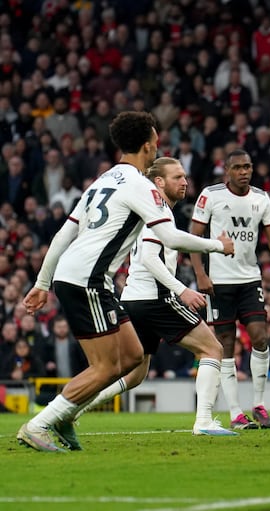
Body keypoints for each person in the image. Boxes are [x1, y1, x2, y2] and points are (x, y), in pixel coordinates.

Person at [19, 111, 234, 452]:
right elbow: (170, 238)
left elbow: (64, 233)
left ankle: (64, 418)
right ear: (149, 146)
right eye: (156, 141)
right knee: (106, 367)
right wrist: (217, 246)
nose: (157, 145)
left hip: (84, 278)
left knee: (133, 356)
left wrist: (43, 282)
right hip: (86, 280)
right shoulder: (141, 186)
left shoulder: (104, 180)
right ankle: (40, 423)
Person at [74, 157, 236, 438]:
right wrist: (181, 289)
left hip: (134, 300)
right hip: (155, 298)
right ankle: (205, 421)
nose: (184, 182)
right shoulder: (156, 209)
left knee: (134, 372)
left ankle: (74, 409)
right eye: (177, 177)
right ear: (158, 182)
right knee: (213, 350)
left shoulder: (149, 210)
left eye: (185, 177)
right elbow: (150, 257)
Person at [190, 149, 270, 430]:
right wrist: (201, 273)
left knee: (260, 337)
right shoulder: (211, 195)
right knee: (225, 343)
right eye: (238, 167)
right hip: (218, 281)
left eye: (248, 167)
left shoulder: (261, 198)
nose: (244, 172)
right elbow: (194, 237)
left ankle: (259, 404)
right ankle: (236, 413)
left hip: (249, 279)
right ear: (227, 170)